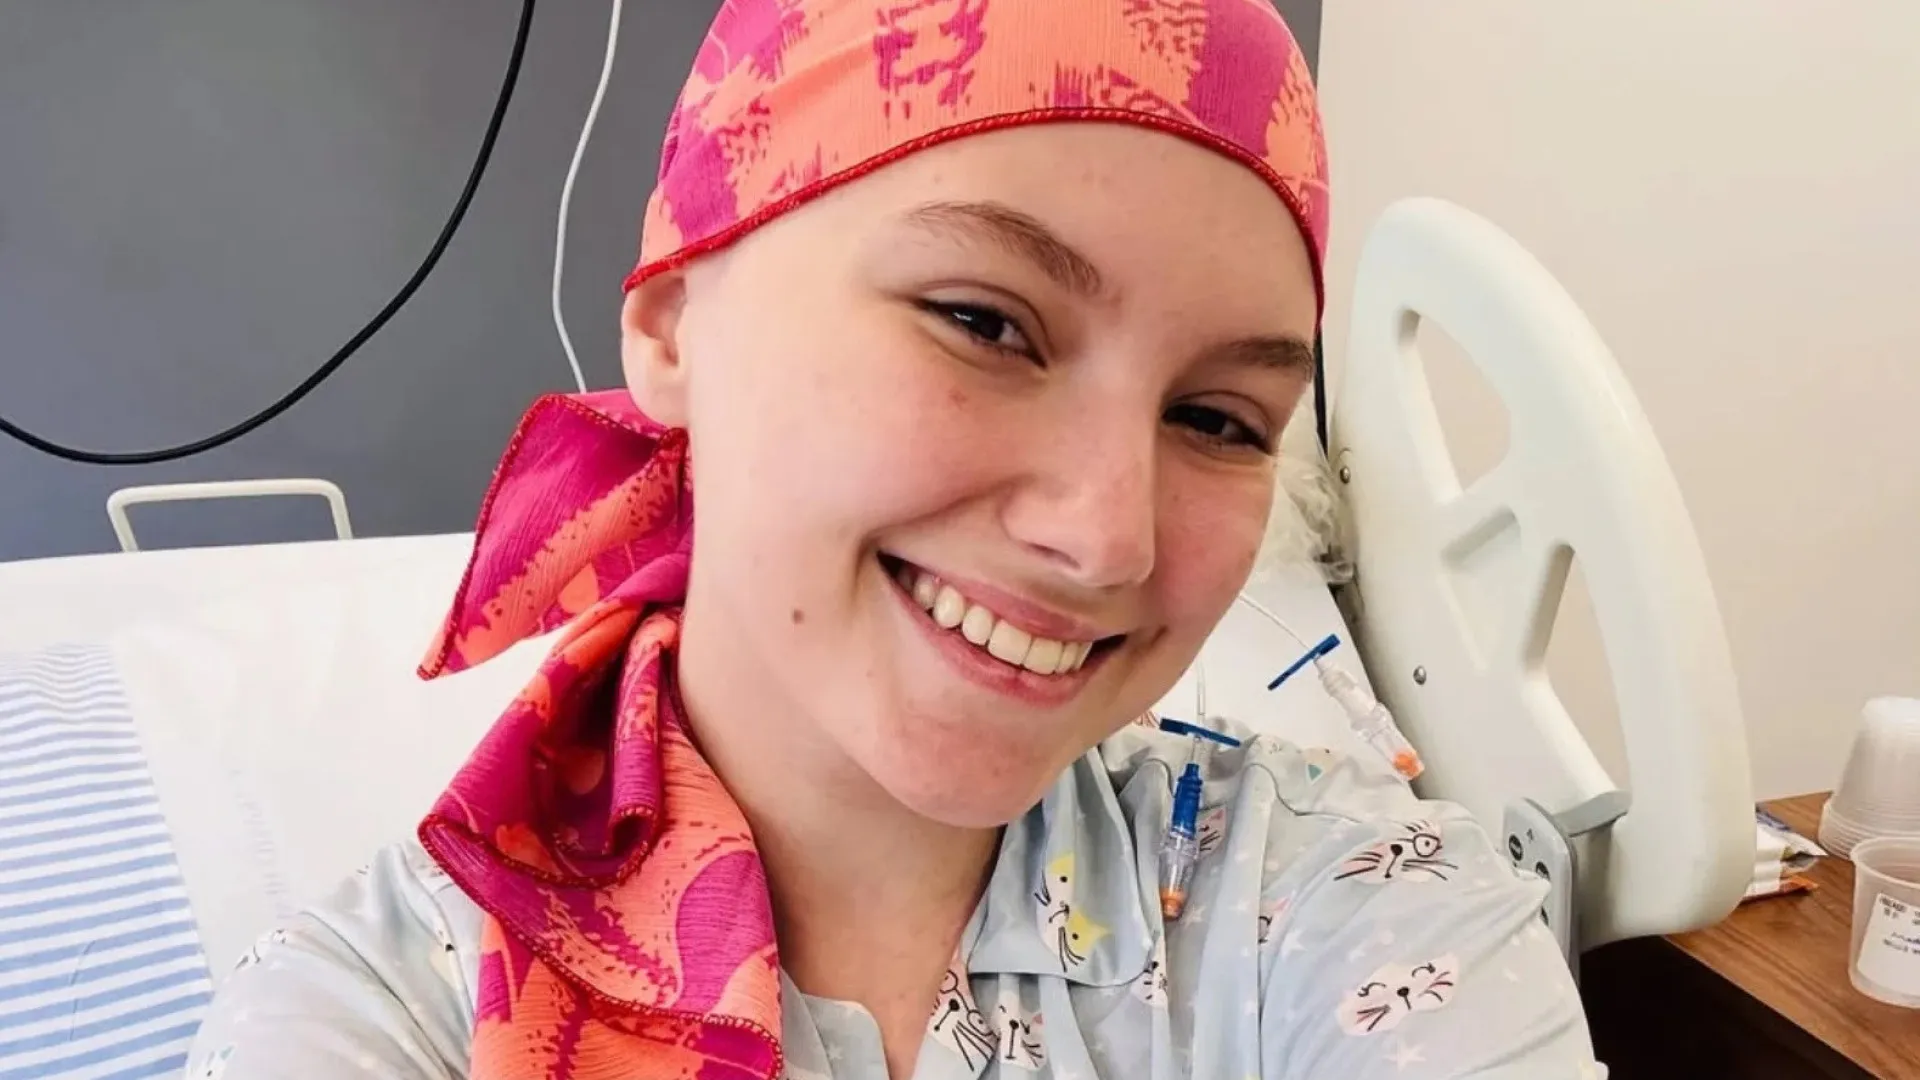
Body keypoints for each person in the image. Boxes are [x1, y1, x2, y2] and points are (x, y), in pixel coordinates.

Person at [190, 1, 1601, 1077]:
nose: (1107, 538)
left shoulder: (1352, 904)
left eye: (1218, 419)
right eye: (984, 323)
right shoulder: (384, 1012)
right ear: (673, 323)